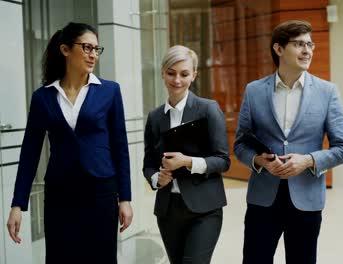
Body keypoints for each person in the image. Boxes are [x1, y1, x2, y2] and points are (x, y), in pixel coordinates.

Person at [6, 22, 133, 264]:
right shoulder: (43, 97)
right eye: (87, 47)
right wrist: (17, 204)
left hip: (101, 194)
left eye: (97, 49)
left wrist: (125, 198)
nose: (93, 54)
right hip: (60, 196)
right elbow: (30, 152)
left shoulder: (109, 91)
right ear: (65, 49)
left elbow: (120, 147)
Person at [234, 20, 343, 264]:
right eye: (299, 44)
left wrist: (308, 160)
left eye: (310, 44)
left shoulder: (327, 92)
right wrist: (259, 161)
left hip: (306, 199)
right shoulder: (254, 91)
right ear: (278, 49)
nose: (307, 50)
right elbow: (240, 144)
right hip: (263, 198)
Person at [143, 45, 230, 264]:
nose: (177, 80)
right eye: (171, 73)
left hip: (205, 209)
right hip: (168, 210)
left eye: (184, 74)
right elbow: (149, 164)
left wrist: (188, 162)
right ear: (163, 73)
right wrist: (157, 179)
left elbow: (223, 160)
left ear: (194, 75)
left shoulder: (208, 109)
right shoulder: (155, 118)